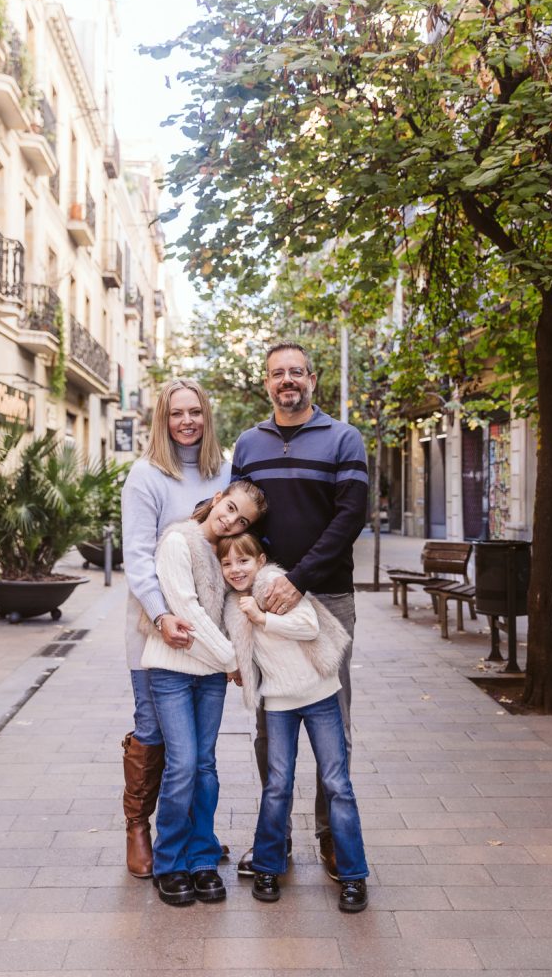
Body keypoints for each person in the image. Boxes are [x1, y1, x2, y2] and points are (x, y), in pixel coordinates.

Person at [231, 340, 368, 880]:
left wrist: (300, 579)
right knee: (271, 720)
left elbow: (349, 516)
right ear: (266, 384)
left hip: (328, 596)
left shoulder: (343, 438)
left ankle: (332, 837)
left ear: (312, 378)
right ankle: (276, 840)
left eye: (296, 372)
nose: (287, 380)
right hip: (266, 597)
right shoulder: (248, 444)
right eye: (277, 374)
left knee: (335, 718)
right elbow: (239, 520)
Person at [218, 533, 369, 912]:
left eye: (243, 561)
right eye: (227, 563)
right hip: (279, 703)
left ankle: (353, 876)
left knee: (337, 783)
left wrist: (263, 618)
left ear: (261, 560)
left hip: (319, 695)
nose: (236, 570)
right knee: (277, 784)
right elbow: (233, 650)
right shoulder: (231, 606)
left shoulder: (274, 584)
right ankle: (269, 866)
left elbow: (309, 627)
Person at [121, 379, 230, 879]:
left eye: (195, 412)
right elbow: (138, 556)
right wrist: (162, 615)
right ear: (162, 420)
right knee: (153, 731)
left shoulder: (222, 472)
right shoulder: (146, 475)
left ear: (206, 417)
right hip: (153, 626)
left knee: (196, 754)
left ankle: (191, 838)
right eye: (175, 413)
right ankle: (139, 826)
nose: (186, 421)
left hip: (205, 634)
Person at [140, 480, 268, 906]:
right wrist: (233, 660)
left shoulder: (223, 552)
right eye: (229, 507)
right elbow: (188, 609)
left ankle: (202, 857)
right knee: (182, 764)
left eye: (242, 518)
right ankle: (169, 862)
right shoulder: (179, 540)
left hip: (210, 673)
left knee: (204, 765)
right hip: (174, 670)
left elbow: (234, 601)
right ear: (217, 499)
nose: (231, 519)